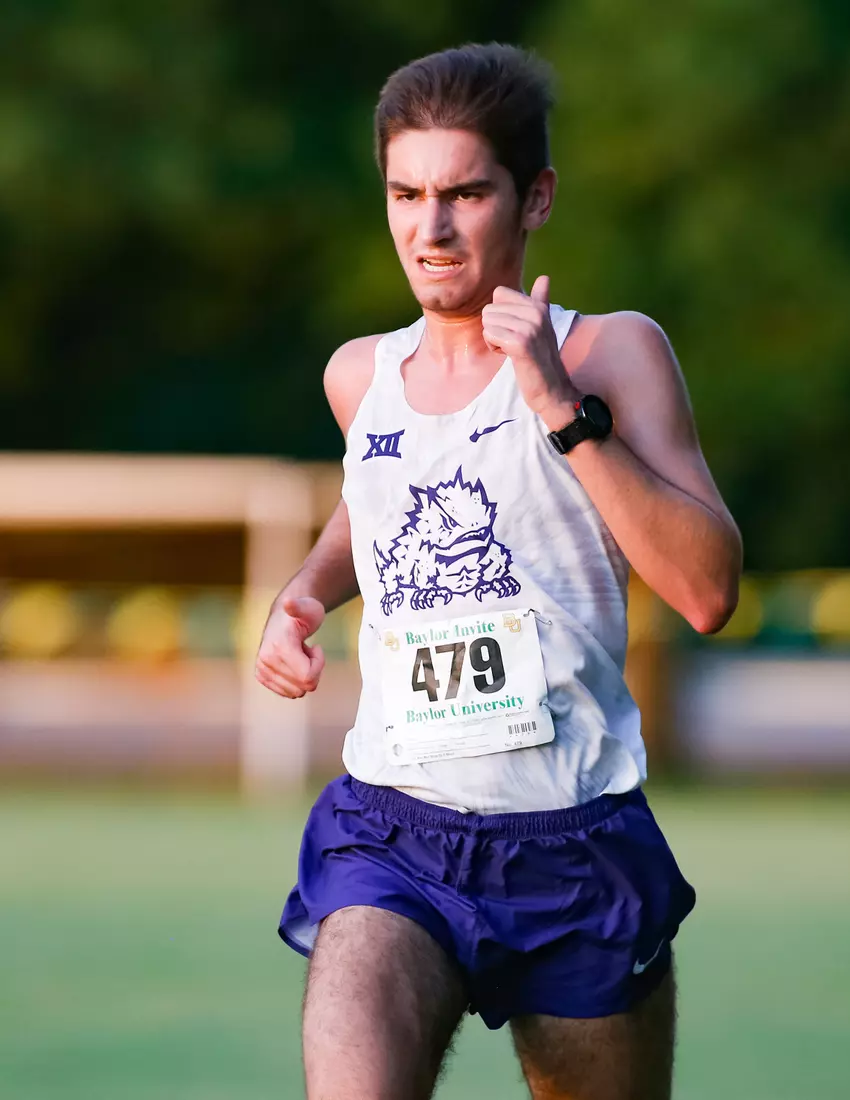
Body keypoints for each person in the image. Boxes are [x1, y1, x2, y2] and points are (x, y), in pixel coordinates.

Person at [256, 43, 742, 1100]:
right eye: (406, 193)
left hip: (573, 843)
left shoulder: (612, 353)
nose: (429, 230)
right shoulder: (360, 375)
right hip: (393, 828)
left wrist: (559, 405)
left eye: (466, 193)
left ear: (536, 199)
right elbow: (373, 503)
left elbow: (707, 589)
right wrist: (306, 589)